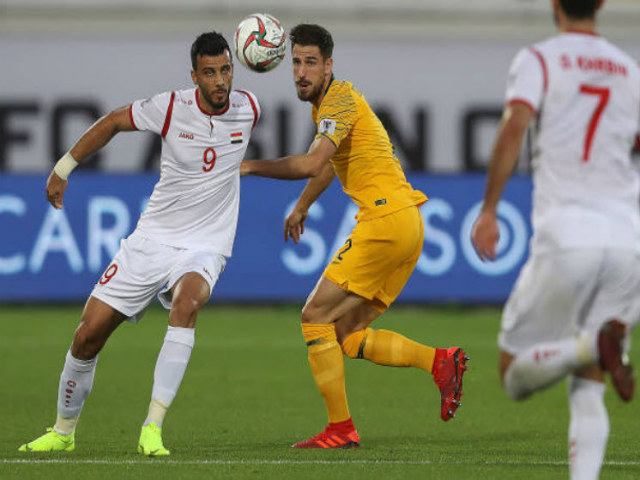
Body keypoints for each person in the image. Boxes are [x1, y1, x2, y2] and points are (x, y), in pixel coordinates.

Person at [18, 32, 260, 456]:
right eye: (210, 72)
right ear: (194, 76)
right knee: (87, 336)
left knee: (188, 303)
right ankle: (63, 431)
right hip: (151, 240)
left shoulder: (248, 108)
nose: (220, 81)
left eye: (225, 70)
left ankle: (153, 426)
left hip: (205, 245)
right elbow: (112, 121)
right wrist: (63, 167)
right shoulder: (170, 107)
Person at [241, 23, 468, 449]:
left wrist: (249, 166)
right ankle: (441, 362)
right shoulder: (330, 106)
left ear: (329, 66)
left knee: (313, 317)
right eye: (296, 63)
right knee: (346, 333)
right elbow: (328, 165)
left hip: (384, 222)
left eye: (311, 63)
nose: (301, 72)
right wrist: (304, 205)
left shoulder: (341, 99)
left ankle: (340, 428)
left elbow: (312, 162)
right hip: (407, 223)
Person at [471, 0, 640, 478]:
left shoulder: (540, 60)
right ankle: (595, 351)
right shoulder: (630, 70)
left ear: (554, 4)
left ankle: (589, 347)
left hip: (568, 237)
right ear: (603, 4)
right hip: (627, 243)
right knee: (590, 385)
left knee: (513, 374)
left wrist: (489, 210)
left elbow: (513, 128)